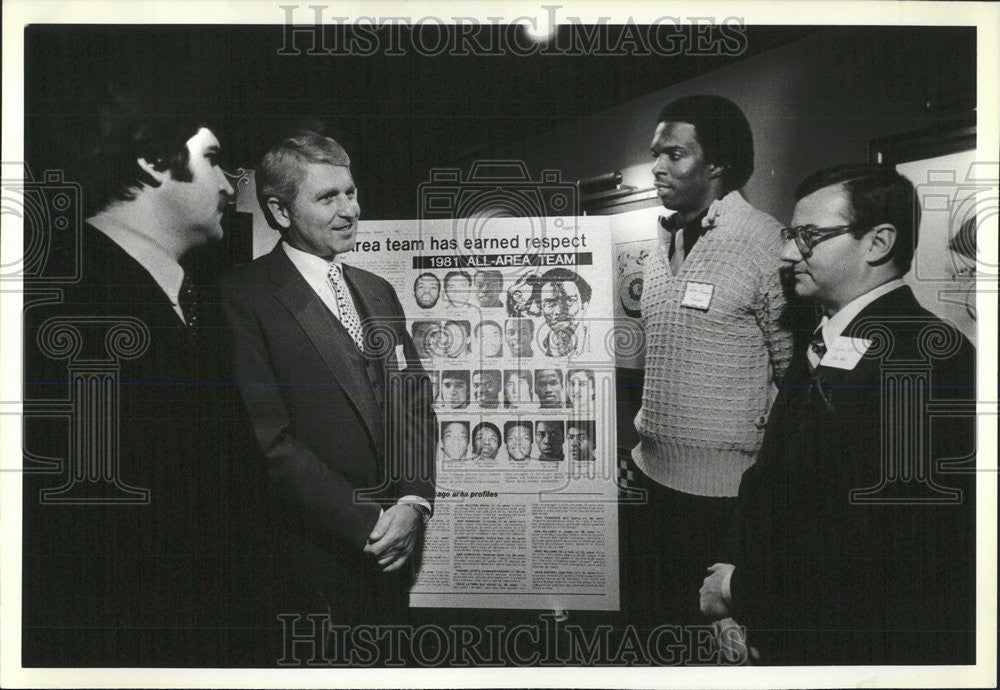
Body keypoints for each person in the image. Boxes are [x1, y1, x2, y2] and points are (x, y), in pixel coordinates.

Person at [21, 92, 263, 666]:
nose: (231, 185)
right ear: (154, 160)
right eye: (212, 159)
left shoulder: (179, 296)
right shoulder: (66, 309)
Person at [700, 164, 976, 665]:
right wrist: (735, 604)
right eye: (790, 235)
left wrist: (738, 589)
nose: (787, 254)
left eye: (808, 237)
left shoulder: (926, 358)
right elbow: (770, 482)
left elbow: (878, 549)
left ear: (878, 243)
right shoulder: (832, 336)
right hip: (785, 622)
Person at [220, 130, 436, 645]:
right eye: (327, 197)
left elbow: (412, 399)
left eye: (351, 192)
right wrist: (370, 524)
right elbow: (266, 442)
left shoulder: (376, 288)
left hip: (395, 553)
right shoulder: (239, 297)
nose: (350, 210)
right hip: (311, 561)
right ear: (279, 212)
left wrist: (412, 501)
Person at [626, 95, 793, 630]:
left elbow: (791, 375)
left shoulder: (764, 241)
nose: (657, 166)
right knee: (655, 630)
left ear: (716, 163)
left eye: (674, 154)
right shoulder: (661, 241)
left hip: (726, 497)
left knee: (719, 641)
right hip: (651, 480)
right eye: (656, 153)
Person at [537, 268, 593, 357]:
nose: (559, 311)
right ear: (541, 309)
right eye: (550, 303)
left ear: (584, 306)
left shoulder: (594, 348)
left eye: (569, 300)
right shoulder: (539, 352)